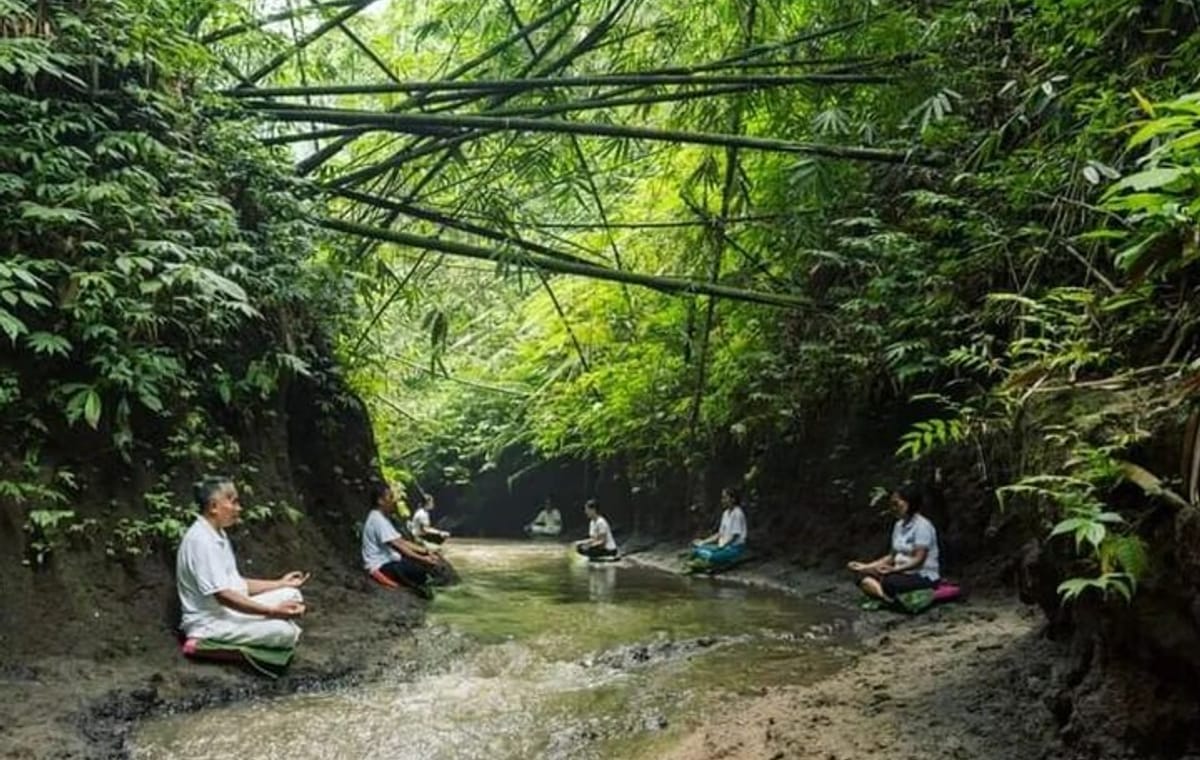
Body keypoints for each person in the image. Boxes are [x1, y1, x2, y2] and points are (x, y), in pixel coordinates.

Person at [176, 476, 308, 648]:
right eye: (233, 502)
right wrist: (272, 612)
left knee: (291, 593)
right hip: (210, 622)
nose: (239, 508)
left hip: (230, 611)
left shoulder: (218, 534)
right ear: (214, 506)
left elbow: (237, 584)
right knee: (284, 632)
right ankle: (205, 640)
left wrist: (280, 583)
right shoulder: (201, 541)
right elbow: (224, 596)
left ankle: (265, 622)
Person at [847, 484, 941, 603]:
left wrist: (894, 570)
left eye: (897, 504)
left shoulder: (923, 526)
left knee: (890, 581)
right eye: (892, 504)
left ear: (910, 503)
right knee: (861, 575)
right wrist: (865, 567)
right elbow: (892, 556)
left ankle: (882, 593)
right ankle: (886, 597)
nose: (894, 508)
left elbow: (919, 560)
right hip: (898, 572)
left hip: (921, 575)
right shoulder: (898, 525)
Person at [362, 482, 441, 598]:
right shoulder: (377, 520)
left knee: (421, 569)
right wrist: (424, 559)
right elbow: (399, 547)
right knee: (421, 573)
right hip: (381, 567)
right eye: (390, 497)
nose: (393, 500)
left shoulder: (381, 518)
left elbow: (402, 542)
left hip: (389, 562)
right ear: (380, 501)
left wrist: (426, 552)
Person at [689, 487, 748, 569]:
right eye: (722, 498)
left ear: (733, 499)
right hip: (722, 547)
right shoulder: (725, 513)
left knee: (712, 556)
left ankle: (712, 558)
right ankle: (706, 556)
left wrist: (723, 545)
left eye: (725, 498)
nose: (722, 500)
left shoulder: (737, 513)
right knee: (696, 548)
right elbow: (719, 534)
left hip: (734, 548)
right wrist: (703, 542)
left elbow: (735, 536)